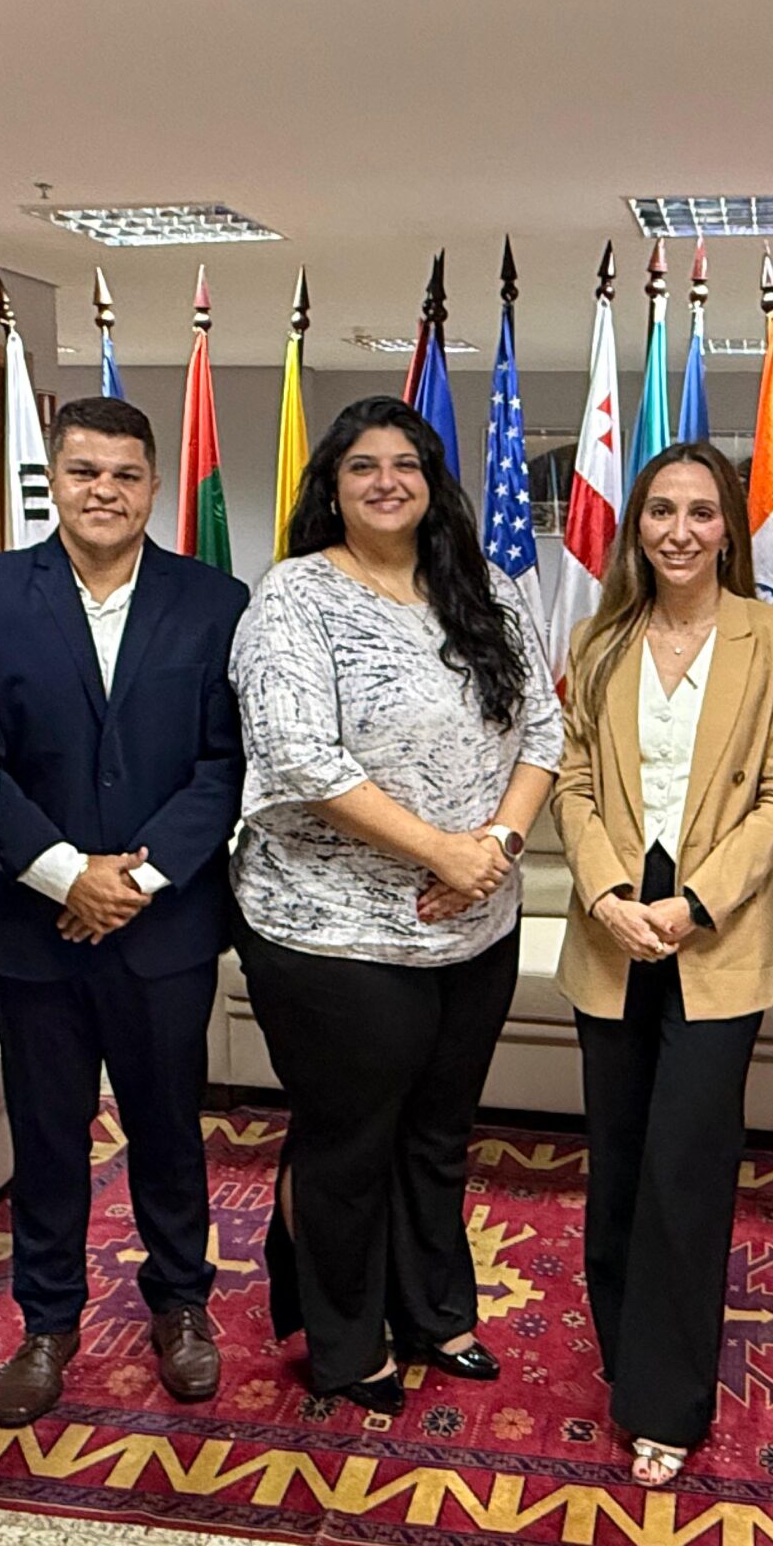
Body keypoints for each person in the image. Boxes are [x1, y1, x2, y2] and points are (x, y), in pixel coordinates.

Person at [229, 397, 562, 1415]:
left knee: (437, 1135)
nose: (386, 481)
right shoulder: (295, 596)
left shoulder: (484, 590)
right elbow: (298, 755)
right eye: (363, 465)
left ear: (431, 482)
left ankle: (434, 1310)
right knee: (349, 1145)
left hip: (476, 924)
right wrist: (441, 852)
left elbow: (544, 733)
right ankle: (344, 1340)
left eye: (406, 464)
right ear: (332, 486)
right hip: (331, 930)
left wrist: (496, 850)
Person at [0, 397, 248, 1423]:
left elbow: (224, 764)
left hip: (165, 925)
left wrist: (133, 882)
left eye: (124, 474)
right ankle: (47, 1322)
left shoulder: (215, 600)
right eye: (84, 472)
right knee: (46, 1135)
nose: (104, 492)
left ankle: (181, 1305)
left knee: (169, 1128)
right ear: (54, 481)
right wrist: (63, 872)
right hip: (31, 925)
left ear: (153, 485)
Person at [554, 443, 773, 1487]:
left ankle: (667, 1403)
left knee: (686, 1165)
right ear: (637, 527)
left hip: (720, 930)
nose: (679, 530)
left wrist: (696, 901)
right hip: (612, 926)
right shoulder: (599, 639)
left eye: (701, 512)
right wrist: (604, 895)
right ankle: (628, 1354)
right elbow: (573, 780)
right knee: (617, 1158)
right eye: (660, 510)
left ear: (727, 531)